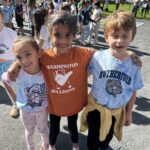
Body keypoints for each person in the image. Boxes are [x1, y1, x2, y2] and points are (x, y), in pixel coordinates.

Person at [6, 11, 142, 150]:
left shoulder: (82, 53)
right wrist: (15, 64)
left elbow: (108, 54)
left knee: (73, 128)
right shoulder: (44, 56)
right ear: (50, 34)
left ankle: (76, 146)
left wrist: (130, 53)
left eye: (67, 35)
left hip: (73, 105)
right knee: (54, 129)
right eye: (57, 35)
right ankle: (51, 145)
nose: (63, 41)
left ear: (73, 35)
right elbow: (28, 58)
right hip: (53, 106)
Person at [80, 11, 144, 150]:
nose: (119, 40)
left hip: (116, 111)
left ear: (132, 37)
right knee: (92, 139)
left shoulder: (134, 64)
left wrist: (128, 112)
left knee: (108, 136)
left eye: (125, 36)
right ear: (106, 36)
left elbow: (133, 91)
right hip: (96, 109)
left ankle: (104, 146)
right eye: (115, 36)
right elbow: (82, 78)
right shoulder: (97, 57)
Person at [2, 36, 49, 150]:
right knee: (29, 131)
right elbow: (4, 78)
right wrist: (12, 68)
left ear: (38, 53)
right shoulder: (17, 74)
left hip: (42, 108)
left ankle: (46, 145)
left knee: (43, 129)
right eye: (19, 57)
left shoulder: (46, 71)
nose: (24, 60)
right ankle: (31, 147)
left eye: (28, 54)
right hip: (25, 110)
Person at [0, 8, 18, 117]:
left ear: (1, 16)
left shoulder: (11, 34)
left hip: (10, 64)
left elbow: (19, 51)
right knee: (7, 85)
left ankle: (20, 104)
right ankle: (15, 104)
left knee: (14, 85)